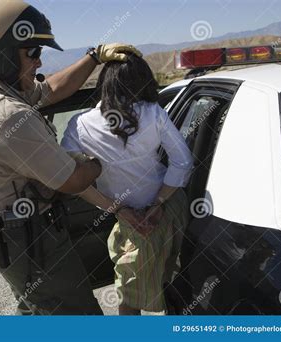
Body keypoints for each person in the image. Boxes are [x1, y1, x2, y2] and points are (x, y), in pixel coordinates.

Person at [0, 0, 142, 315]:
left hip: (6, 234)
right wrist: (105, 155)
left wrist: (93, 57)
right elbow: (73, 180)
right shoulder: (8, 117)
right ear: (1, 53)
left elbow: (51, 89)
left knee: (35, 308)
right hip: (27, 241)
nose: (40, 62)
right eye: (33, 53)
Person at [61, 53, 194, 315]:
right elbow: (183, 162)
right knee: (174, 282)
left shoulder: (80, 125)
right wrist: (158, 203)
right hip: (170, 209)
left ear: (105, 84)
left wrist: (118, 210)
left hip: (132, 222)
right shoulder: (153, 112)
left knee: (129, 295)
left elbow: (70, 179)